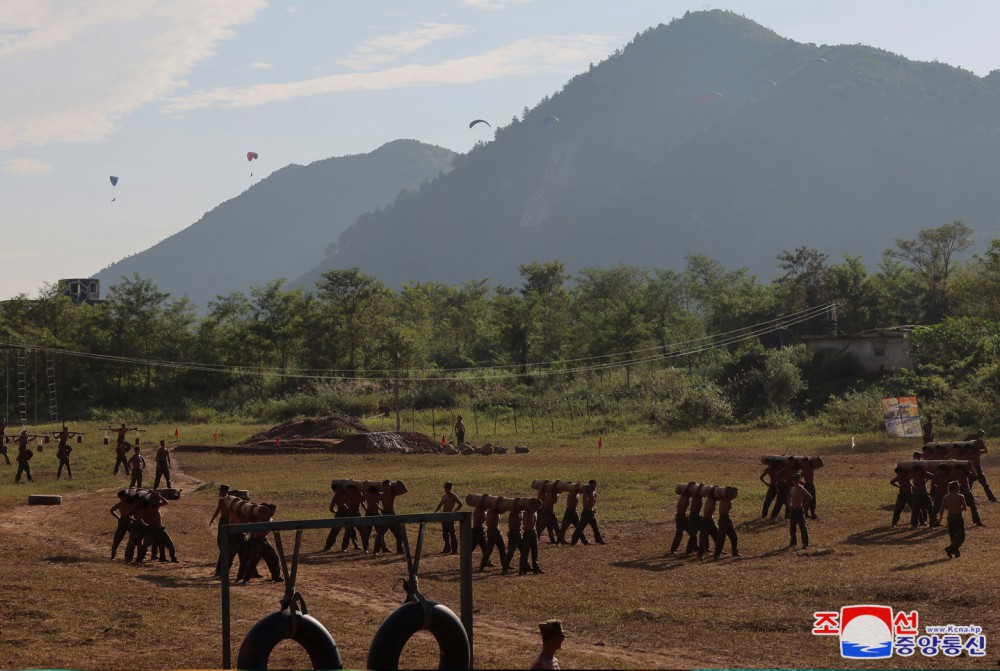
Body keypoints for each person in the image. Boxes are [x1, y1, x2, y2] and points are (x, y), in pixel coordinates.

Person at [237, 503, 282, 584]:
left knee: (274, 558)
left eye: (274, 511)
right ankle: (244, 579)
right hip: (255, 541)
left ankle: (276, 576)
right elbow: (249, 517)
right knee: (252, 561)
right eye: (272, 511)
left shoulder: (271, 520)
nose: (273, 513)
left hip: (264, 540)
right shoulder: (258, 517)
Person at [373, 480, 405, 558]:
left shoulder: (392, 494)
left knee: (399, 535)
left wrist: (402, 483)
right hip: (386, 515)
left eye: (390, 486)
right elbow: (374, 501)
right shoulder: (382, 495)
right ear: (384, 487)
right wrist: (380, 509)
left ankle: (400, 550)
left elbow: (405, 491)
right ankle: (376, 551)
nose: (389, 487)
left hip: (393, 514)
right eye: (387, 486)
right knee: (380, 534)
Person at [938, 481, 968, 558]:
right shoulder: (960, 496)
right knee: (961, 536)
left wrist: (940, 518)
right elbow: (964, 508)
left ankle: (956, 552)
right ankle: (950, 549)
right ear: (955, 488)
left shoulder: (945, 497)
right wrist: (960, 507)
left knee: (953, 536)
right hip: (957, 517)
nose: (959, 488)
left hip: (950, 517)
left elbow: (941, 508)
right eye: (958, 487)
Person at [571, 480, 605, 546]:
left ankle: (599, 540)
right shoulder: (586, 492)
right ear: (590, 485)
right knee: (580, 528)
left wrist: (592, 508)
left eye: (595, 485)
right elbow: (585, 504)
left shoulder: (594, 493)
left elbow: (593, 503)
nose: (594, 486)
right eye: (593, 485)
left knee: (595, 527)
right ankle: (573, 542)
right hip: (586, 513)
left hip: (590, 512)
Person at [434, 482, 463, 554]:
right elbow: (440, 504)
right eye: (445, 488)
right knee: (445, 533)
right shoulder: (444, 496)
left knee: (452, 533)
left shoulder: (453, 496)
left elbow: (460, 504)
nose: (446, 489)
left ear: (450, 488)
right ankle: (447, 548)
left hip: (450, 516)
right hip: (444, 516)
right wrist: (435, 512)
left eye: (448, 488)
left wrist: (454, 512)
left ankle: (454, 550)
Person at [479, 498, 506, 572]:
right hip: (492, 532)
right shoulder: (490, 511)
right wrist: (497, 499)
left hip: (497, 531)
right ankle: (482, 566)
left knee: (502, 548)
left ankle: (505, 564)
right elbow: (493, 506)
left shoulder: (497, 512)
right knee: (489, 550)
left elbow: (504, 510)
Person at [668, 482, 695, 554]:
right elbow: (685, 491)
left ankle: (695, 548)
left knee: (692, 533)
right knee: (679, 535)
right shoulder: (684, 496)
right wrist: (690, 484)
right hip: (680, 517)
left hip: (683, 517)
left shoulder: (685, 497)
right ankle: (673, 550)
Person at [787, 473, 812, 548]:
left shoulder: (802, 489)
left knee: (802, 527)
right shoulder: (792, 488)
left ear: (798, 480)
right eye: (793, 480)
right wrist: (789, 504)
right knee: (792, 527)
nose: (794, 481)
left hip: (799, 510)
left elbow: (810, 497)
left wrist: (803, 506)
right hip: (793, 509)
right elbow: (789, 496)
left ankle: (805, 543)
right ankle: (793, 542)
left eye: (795, 480)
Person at [714, 487, 740, 559]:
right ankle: (716, 555)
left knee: (733, 537)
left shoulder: (728, 499)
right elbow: (725, 490)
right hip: (723, 520)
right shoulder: (724, 498)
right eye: (736, 493)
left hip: (727, 519)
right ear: (731, 493)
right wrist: (729, 488)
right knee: (721, 538)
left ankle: (734, 552)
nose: (737, 495)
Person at [697, 488, 720, 560]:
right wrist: (713, 488)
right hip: (705, 521)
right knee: (703, 539)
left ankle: (718, 552)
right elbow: (710, 493)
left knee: (717, 536)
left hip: (710, 520)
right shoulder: (710, 498)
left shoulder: (712, 499)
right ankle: (699, 556)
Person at [519, 505, 542, 575]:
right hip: (527, 532)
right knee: (525, 553)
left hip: (533, 532)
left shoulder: (535, 512)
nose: (538, 508)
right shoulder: (525, 513)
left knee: (535, 551)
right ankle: (522, 570)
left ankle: (536, 569)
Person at [361, 485, 383, 553]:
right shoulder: (369, 495)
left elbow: (362, 501)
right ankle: (366, 548)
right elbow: (362, 501)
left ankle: (383, 547)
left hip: (375, 513)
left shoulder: (376, 495)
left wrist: (365, 509)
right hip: (370, 513)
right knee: (367, 532)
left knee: (380, 532)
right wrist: (365, 509)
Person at [682, 484, 703, 556]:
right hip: (694, 517)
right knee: (693, 535)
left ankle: (696, 549)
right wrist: (700, 486)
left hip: (697, 516)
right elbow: (696, 492)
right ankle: (688, 551)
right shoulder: (695, 496)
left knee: (702, 533)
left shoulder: (698, 497)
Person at [501, 504, 522, 575]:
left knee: (524, 551)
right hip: (514, 534)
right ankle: (504, 569)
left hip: (518, 533)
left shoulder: (519, 512)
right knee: (511, 552)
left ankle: (526, 566)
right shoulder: (513, 513)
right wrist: (516, 502)